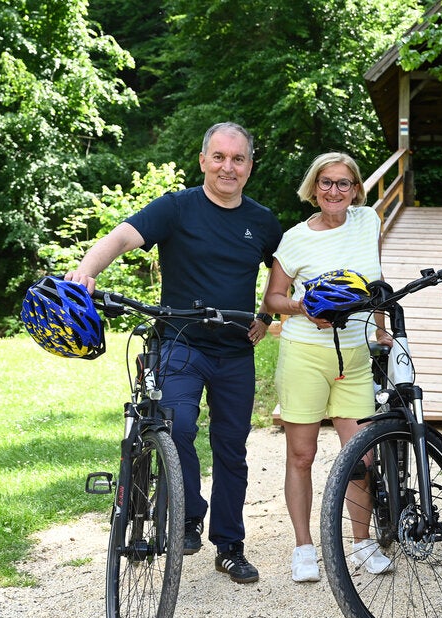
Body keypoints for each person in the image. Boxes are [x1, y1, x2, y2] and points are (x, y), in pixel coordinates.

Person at [65, 122, 282, 584]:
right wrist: (86, 272)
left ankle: (230, 545)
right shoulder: (176, 208)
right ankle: (187, 513)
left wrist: (264, 316)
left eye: (238, 159)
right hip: (180, 344)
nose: (228, 166)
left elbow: (286, 274)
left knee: (232, 451)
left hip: (234, 352)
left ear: (249, 166)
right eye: (219, 157)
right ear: (203, 160)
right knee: (177, 425)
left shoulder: (262, 222)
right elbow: (121, 237)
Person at [263, 152, 394, 583]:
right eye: (326, 183)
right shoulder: (295, 238)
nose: (334, 191)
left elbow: (374, 282)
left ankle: (362, 543)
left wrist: (381, 330)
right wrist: (301, 307)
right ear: (313, 188)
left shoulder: (367, 222)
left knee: (362, 455)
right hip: (305, 354)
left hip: (354, 355)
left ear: (356, 188)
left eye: (343, 183)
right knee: (302, 454)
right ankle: (304, 547)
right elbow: (273, 300)